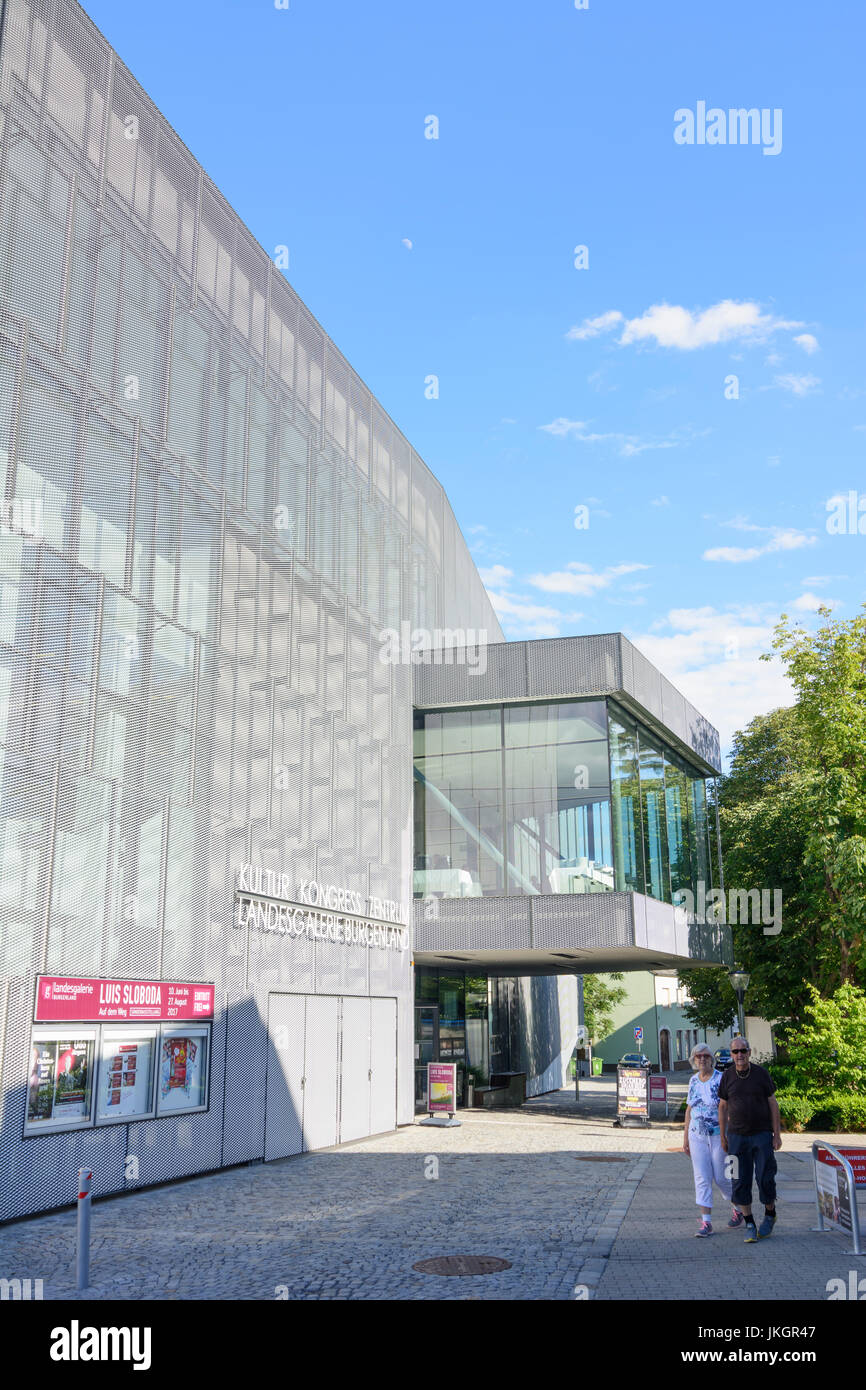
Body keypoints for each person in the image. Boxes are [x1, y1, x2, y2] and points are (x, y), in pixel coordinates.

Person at [718, 1035, 782, 1242]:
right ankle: (749, 1223)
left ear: (749, 1052)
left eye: (742, 1051)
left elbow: (773, 1103)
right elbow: (722, 1106)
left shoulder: (761, 1074)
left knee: (765, 1176)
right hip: (736, 1138)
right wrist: (723, 1136)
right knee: (738, 1180)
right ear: (731, 1054)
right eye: (735, 1052)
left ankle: (770, 1214)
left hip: (761, 1135)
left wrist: (777, 1134)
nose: (739, 1055)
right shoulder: (727, 1076)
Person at [683, 1043, 742, 1236]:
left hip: (719, 1135)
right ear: (693, 1059)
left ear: (712, 1059)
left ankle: (739, 1208)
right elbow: (689, 1109)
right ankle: (706, 1222)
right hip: (697, 1135)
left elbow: (729, 1108)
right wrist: (685, 1138)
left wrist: (729, 1134)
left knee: (722, 1177)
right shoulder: (693, 1081)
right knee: (702, 1178)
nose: (702, 1059)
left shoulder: (721, 1079)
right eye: (698, 1056)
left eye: (706, 1056)